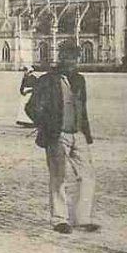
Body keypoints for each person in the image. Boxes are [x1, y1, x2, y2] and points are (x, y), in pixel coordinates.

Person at [27, 41, 98, 235]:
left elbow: (82, 108)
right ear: (61, 58)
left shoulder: (79, 80)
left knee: (87, 176)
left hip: (79, 134)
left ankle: (82, 218)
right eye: (68, 57)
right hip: (57, 135)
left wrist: (85, 131)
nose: (72, 62)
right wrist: (47, 125)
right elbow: (31, 108)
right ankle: (60, 219)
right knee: (58, 177)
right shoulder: (46, 80)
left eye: (75, 58)